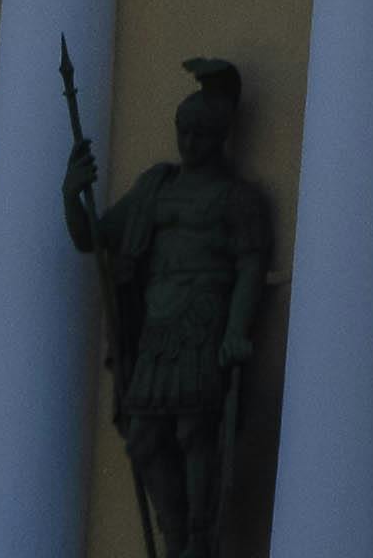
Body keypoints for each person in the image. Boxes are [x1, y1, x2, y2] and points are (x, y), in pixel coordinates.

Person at [67, 58, 275, 558]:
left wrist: (235, 330)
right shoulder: (155, 189)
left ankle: (199, 541)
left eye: (200, 134)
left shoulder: (237, 199)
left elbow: (249, 267)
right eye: (183, 132)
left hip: (203, 323)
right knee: (144, 438)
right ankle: (175, 535)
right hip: (157, 327)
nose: (188, 143)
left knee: (193, 432)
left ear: (219, 137)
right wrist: (71, 193)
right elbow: (92, 238)